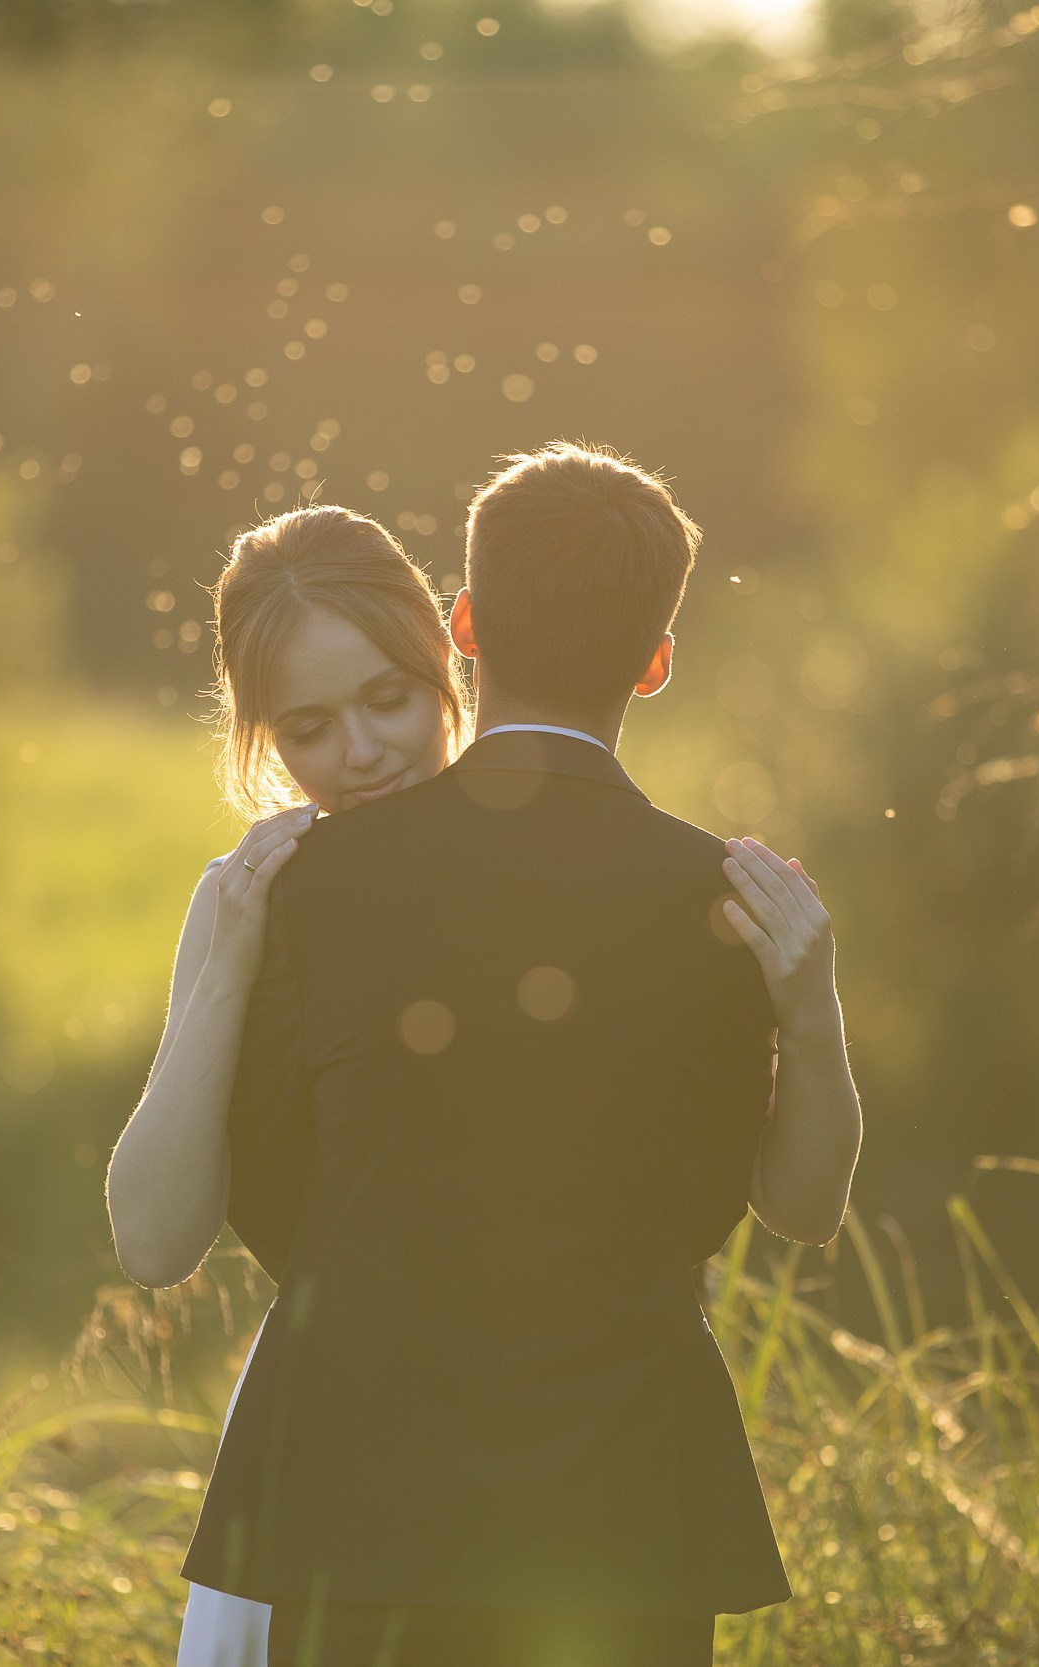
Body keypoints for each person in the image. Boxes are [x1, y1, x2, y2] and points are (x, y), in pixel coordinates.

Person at [106, 452, 863, 1667]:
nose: (361, 752)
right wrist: (223, 965)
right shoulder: (268, 896)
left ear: (456, 636)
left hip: (362, 1504)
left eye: (385, 699)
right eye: (309, 727)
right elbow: (155, 1237)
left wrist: (814, 1018)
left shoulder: (319, 898)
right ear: (655, 660)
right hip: (604, 1512)